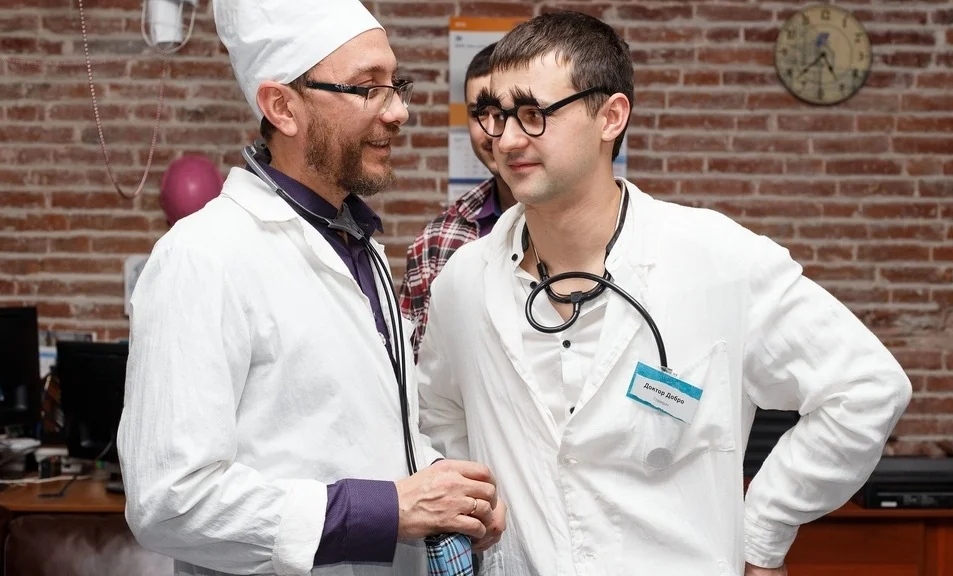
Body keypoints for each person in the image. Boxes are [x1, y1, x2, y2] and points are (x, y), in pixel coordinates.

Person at [417, 11, 911, 576]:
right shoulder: (464, 282)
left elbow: (866, 388)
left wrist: (764, 529)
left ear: (610, 116)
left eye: (533, 114)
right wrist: (479, 511)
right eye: (495, 115)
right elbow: (438, 414)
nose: (505, 140)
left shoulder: (717, 259)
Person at [117, 1, 504, 575]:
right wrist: (386, 511)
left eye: (396, 85)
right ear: (282, 107)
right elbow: (169, 502)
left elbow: (362, 436)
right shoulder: (202, 257)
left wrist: (447, 492)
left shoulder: (361, 248)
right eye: (367, 88)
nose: (399, 111)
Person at [400, 43, 515, 357]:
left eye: (502, 113)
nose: (490, 131)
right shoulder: (435, 242)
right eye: (479, 114)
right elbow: (416, 369)